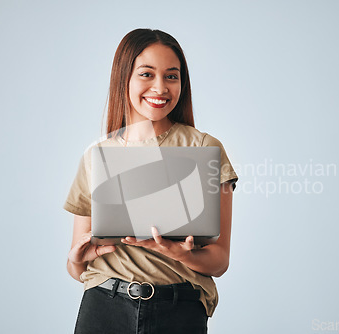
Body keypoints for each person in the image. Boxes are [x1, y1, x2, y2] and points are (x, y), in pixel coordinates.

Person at [64, 28, 238, 334]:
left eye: (172, 76)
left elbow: (220, 260)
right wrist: (78, 259)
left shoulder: (205, 149)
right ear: (124, 78)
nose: (160, 87)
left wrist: (182, 254)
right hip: (104, 306)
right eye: (147, 74)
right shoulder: (97, 155)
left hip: (178, 309)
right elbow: (76, 268)